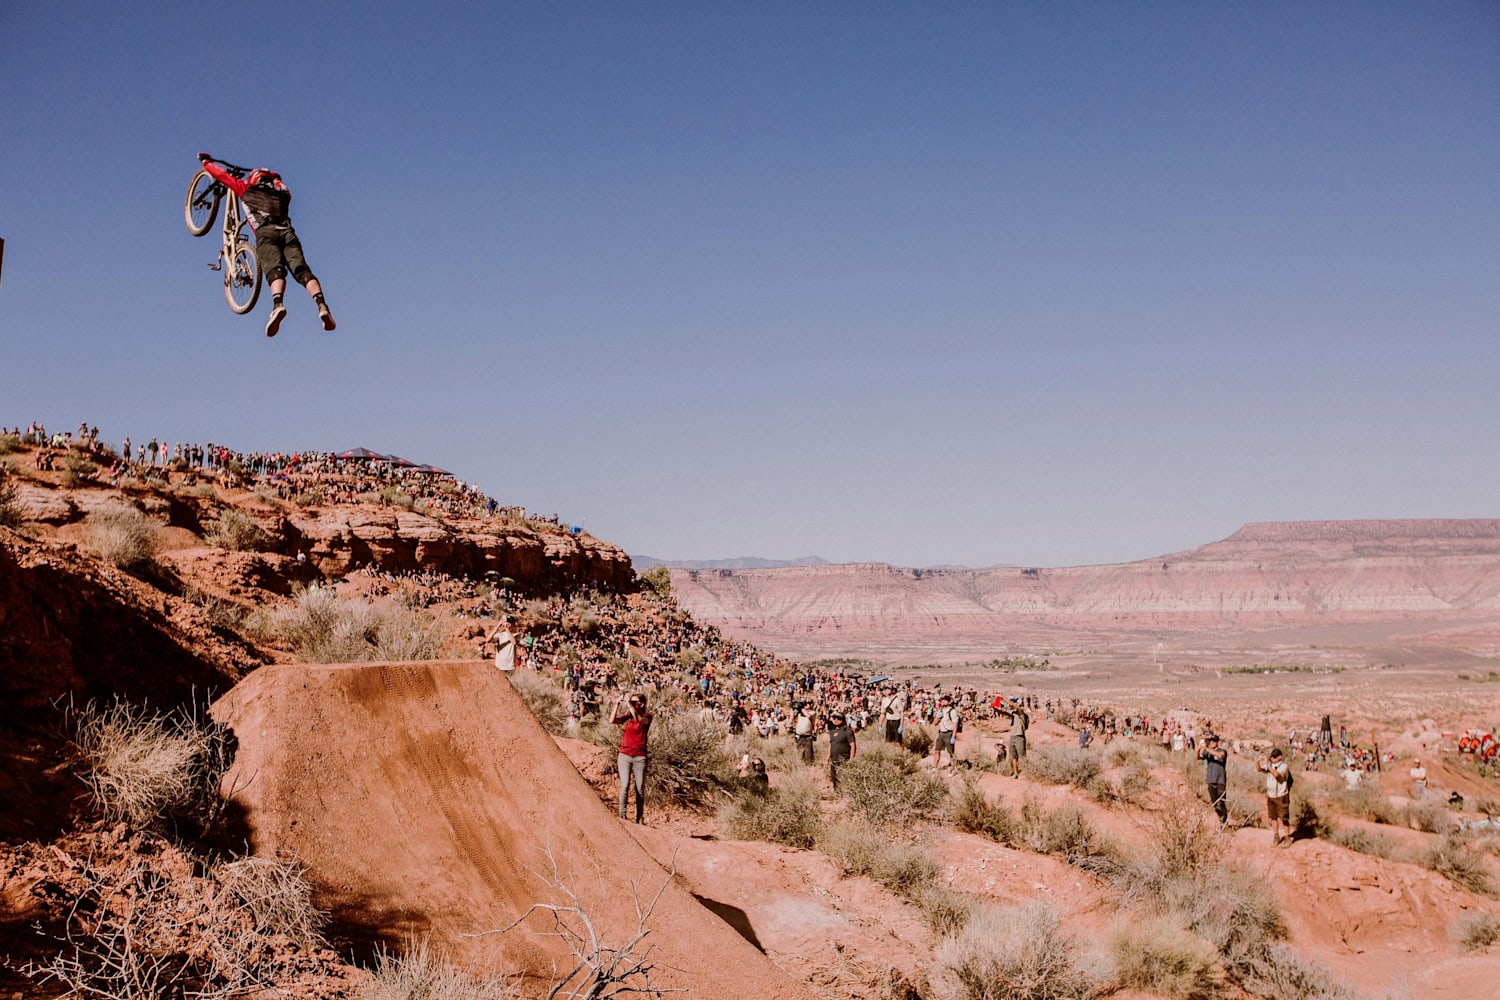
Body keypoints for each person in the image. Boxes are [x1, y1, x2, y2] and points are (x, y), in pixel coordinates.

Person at [198, 153, 336, 337]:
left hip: (266, 233)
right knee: (302, 271)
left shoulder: (245, 189)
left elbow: (222, 175)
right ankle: (322, 306)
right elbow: (282, 185)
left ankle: (278, 304)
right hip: (288, 232)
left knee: (274, 269)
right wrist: (275, 177)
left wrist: (206, 162)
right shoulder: (283, 195)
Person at [611, 692, 652, 823]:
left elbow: (640, 720)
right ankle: (622, 815)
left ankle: (639, 818)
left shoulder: (647, 716)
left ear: (642, 704)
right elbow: (612, 720)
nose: (633, 705)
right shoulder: (627, 717)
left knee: (639, 788)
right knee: (625, 786)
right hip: (625, 755)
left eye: (636, 702)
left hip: (640, 757)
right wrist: (616, 705)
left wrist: (629, 705)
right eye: (632, 702)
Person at [1257, 748, 1292, 846]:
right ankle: (1276, 836)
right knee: (1273, 817)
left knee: (1284, 818)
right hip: (1271, 795)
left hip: (1281, 795)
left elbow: (1277, 775)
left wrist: (1268, 766)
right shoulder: (1270, 765)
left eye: (1274, 757)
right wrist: (1259, 761)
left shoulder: (1284, 766)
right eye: (1272, 756)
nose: (1272, 758)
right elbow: (1259, 769)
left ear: (1279, 757)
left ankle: (1287, 837)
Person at [1198, 734, 1229, 826]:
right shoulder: (1208, 753)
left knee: (1221, 802)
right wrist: (1199, 749)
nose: (1211, 743)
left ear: (1217, 742)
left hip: (1220, 781)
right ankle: (1221, 821)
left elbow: (1220, 756)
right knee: (1215, 804)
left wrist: (1206, 748)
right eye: (1210, 741)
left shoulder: (1222, 751)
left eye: (1213, 741)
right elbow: (1199, 757)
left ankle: (1224, 822)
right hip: (1211, 780)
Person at [827, 712, 856, 791]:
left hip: (844, 759)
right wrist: (827, 758)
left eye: (839, 718)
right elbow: (830, 745)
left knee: (843, 777)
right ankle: (837, 794)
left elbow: (852, 745)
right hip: (834, 759)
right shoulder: (832, 731)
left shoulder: (847, 730)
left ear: (843, 720)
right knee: (834, 778)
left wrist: (851, 759)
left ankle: (845, 795)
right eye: (834, 718)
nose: (836, 720)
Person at [1006, 702, 1029, 778]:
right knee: (1013, 757)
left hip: (1019, 736)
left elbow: (1015, 705)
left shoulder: (1022, 714)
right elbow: (1004, 713)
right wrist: (995, 708)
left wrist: (1002, 697)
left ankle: (1026, 773)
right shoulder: (1014, 714)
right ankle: (1016, 773)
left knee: (1022, 757)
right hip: (1012, 736)